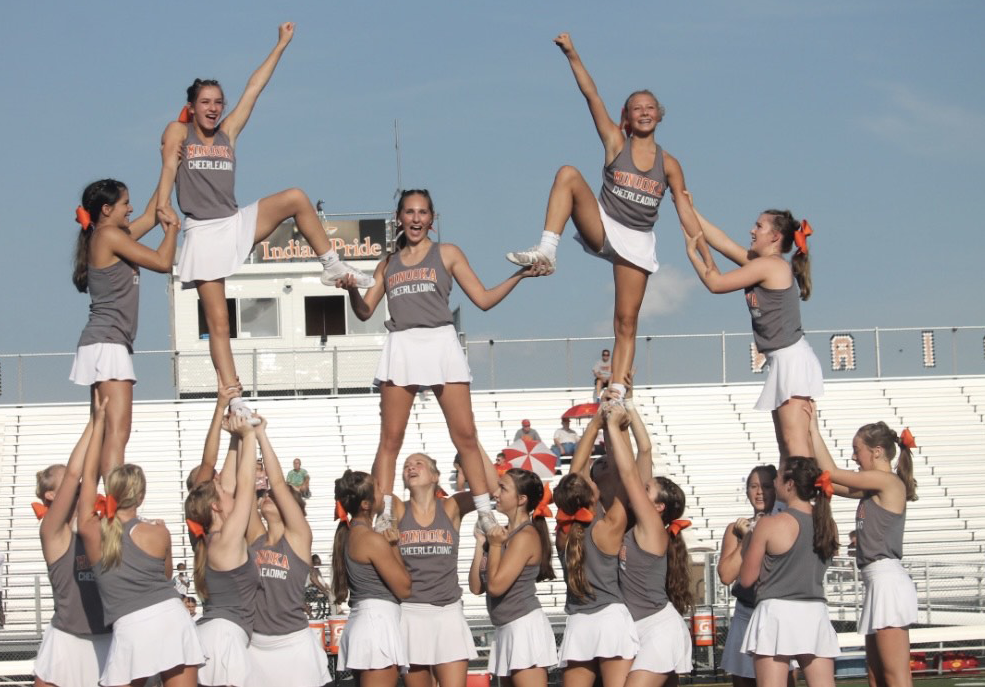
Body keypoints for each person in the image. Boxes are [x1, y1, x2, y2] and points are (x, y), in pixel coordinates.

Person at [157, 22, 372, 419]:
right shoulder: (178, 130)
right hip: (202, 231)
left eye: (218, 102)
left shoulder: (228, 133)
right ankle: (233, 394)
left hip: (233, 222)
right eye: (206, 101)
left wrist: (281, 44)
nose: (214, 108)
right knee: (218, 323)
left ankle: (331, 264)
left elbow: (254, 88)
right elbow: (170, 164)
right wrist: (162, 203)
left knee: (295, 197)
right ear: (192, 105)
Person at [505, 33, 710, 403]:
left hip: (636, 240)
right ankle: (547, 250)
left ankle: (617, 389)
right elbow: (591, 95)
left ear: (659, 115)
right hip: (602, 223)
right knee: (568, 173)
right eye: (637, 108)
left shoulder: (671, 164)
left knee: (625, 322)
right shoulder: (617, 143)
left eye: (650, 107)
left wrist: (709, 262)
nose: (645, 112)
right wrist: (571, 53)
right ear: (627, 118)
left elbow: (686, 215)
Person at [338, 189, 544, 534]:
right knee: (390, 438)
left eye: (422, 212)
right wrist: (351, 290)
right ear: (399, 217)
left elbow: (483, 299)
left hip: (440, 342)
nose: (416, 219)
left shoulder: (447, 253)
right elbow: (364, 312)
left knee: (465, 434)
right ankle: (385, 514)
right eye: (409, 212)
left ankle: (485, 514)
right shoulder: (386, 264)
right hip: (402, 344)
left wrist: (518, 276)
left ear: (431, 219)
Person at [684, 196, 821, 462]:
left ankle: (805, 501)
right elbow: (721, 241)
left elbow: (716, 283)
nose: (752, 230)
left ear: (774, 237)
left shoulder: (770, 265)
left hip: (791, 359)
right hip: (782, 359)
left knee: (796, 448)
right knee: (787, 447)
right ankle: (797, 499)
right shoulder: (762, 264)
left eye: (759, 226)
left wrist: (693, 254)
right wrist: (689, 210)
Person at [70, 178, 180, 475]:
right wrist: (173, 230)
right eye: (124, 203)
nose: (130, 208)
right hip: (108, 343)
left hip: (103, 341)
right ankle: (113, 509)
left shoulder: (110, 235)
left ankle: (95, 501)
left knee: (103, 432)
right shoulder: (109, 236)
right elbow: (162, 261)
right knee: (117, 434)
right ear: (106, 210)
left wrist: (170, 165)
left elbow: (149, 215)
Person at [78, 433, 204, 686]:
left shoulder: (93, 530)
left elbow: (86, 477)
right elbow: (167, 576)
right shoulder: (158, 532)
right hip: (170, 618)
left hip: (131, 625)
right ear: (141, 496)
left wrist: (99, 424)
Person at [810, 418, 918, 687]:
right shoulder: (872, 488)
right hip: (876, 582)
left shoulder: (888, 482)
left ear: (877, 451)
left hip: (887, 582)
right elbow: (830, 482)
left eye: (857, 450)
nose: (854, 456)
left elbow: (831, 471)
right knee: (876, 676)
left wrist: (813, 427)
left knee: (896, 677)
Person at [605, 397, 694, 687]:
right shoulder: (642, 523)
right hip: (637, 628)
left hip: (658, 629)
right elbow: (645, 450)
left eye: (648, 490)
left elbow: (630, 473)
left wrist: (611, 424)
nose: (641, 490)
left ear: (658, 508)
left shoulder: (654, 528)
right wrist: (627, 402)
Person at [388, 452, 495, 687]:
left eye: (419, 463)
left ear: (435, 476)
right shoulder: (397, 507)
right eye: (406, 466)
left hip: (447, 612)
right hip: (409, 612)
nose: (411, 467)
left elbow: (490, 487)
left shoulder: (450, 506)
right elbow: (377, 489)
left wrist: (470, 442)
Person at [553, 405, 642, 687]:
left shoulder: (563, 532)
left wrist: (594, 425)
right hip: (610, 618)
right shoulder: (608, 527)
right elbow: (627, 476)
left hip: (579, 621)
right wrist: (613, 427)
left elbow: (574, 473)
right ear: (592, 495)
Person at [242, 416, 331, 687]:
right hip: (255, 645)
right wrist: (243, 437)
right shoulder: (256, 537)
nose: (267, 495)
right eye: (265, 494)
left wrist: (260, 435)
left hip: (293, 645)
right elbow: (243, 486)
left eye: (275, 495)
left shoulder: (299, 537)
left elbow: (278, 484)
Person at [739, 458, 840, 687]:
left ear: (790, 484)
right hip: (815, 612)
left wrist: (747, 540)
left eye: (778, 476)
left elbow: (746, 579)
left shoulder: (770, 524)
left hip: (776, 611)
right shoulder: (827, 522)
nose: (774, 481)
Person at [33, 403, 112, 686]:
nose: (78, 485)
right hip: (66, 639)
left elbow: (95, 470)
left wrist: (103, 426)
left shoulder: (96, 526)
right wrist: (95, 420)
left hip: (105, 638)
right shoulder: (53, 532)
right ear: (52, 495)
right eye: (70, 485)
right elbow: (75, 474)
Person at [185, 413, 261, 687]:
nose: (228, 490)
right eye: (223, 492)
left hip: (215, 634)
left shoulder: (209, 539)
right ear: (216, 506)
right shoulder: (225, 538)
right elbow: (245, 486)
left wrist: (233, 437)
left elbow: (228, 484)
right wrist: (249, 436)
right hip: (223, 638)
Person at [469, 468, 557, 686]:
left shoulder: (525, 535)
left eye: (503, 488)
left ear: (521, 499)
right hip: (505, 628)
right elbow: (476, 587)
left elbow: (496, 586)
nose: (496, 493)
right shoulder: (502, 533)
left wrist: (496, 544)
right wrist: (482, 543)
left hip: (523, 628)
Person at [331, 470, 412, 687]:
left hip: (368, 623)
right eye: (377, 488)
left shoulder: (352, 534)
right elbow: (404, 588)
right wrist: (394, 545)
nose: (382, 491)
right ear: (366, 504)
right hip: (377, 625)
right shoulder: (371, 539)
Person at [717, 465, 780, 687]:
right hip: (746, 613)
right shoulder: (736, 529)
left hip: (777, 614)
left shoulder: (785, 524)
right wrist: (746, 540)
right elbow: (726, 575)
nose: (759, 492)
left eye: (766, 486)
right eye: (754, 486)